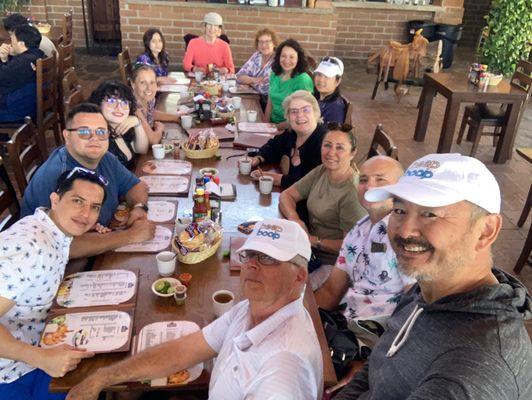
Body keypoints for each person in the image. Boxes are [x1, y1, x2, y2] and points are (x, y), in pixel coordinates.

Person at [334, 153, 532, 399]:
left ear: (485, 231)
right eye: (399, 209)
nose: (405, 231)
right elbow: (377, 367)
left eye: (430, 214)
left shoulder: (474, 368)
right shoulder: (428, 287)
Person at [66, 219, 323, 400]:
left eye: (268, 258)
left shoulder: (283, 368)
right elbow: (183, 351)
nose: (253, 266)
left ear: (300, 276)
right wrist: (102, 377)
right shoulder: (251, 309)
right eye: (250, 255)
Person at [0, 168, 107, 399]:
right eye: (77, 201)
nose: (85, 213)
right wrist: (40, 358)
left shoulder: (54, 229)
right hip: (13, 371)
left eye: (94, 207)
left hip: (41, 339)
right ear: (55, 199)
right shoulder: (30, 247)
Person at [21, 103, 155, 259]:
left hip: (101, 239)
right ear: (67, 136)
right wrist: (130, 236)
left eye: (101, 132)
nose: (94, 138)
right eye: (84, 132)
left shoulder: (104, 158)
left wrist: (139, 207)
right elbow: (63, 245)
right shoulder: (59, 176)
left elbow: (136, 186)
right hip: (58, 266)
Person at [315, 156, 414, 326]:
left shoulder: (406, 236)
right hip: (345, 325)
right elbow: (331, 290)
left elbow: (415, 305)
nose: (369, 186)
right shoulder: (358, 230)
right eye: (363, 179)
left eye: (380, 179)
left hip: (377, 335)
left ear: (400, 188)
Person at [279, 122, 366, 266]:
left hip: (331, 263)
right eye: (327, 145)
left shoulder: (352, 192)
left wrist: (312, 241)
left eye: (340, 148)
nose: (331, 153)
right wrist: (295, 219)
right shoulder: (323, 170)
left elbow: (351, 246)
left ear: (353, 153)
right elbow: (286, 196)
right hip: (307, 248)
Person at [247, 90, 327, 189]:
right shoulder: (292, 133)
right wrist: (258, 158)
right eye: (294, 111)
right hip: (287, 197)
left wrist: (274, 178)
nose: (300, 115)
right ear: (288, 117)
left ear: (315, 112)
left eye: (305, 110)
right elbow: (273, 146)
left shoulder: (324, 143)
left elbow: (309, 183)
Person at [88, 80, 149, 169]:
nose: (119, 107)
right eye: (112, 101)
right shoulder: (98, 138)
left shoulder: (117, 127)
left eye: (124, 102)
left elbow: (142, 150)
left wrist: (137, 123)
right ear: (98, 103)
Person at [131, 65, 185, 145]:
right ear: (133, 85)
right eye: (143, 83)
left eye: (152, 82)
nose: (149, 88)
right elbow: (153, 140)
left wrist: (176, 117)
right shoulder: (133, 107)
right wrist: (160, 129)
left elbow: (151, 113)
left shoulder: (148, 98)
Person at [0, 23, 44, 122]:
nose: (10, 43)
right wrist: (7, 58)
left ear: (21, 44)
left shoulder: (23, 61)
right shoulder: (39, 55)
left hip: (19, 111)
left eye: (13, 39)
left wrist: (1, 59)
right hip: (32, 105)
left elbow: (2, 79)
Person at [265, 38, 314, 127]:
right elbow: (270, 104)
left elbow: (302, 116)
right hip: (272, 125)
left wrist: (276, 128)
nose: (287, 61)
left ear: (298, 59)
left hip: (291, 128)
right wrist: (264, 126)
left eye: (292, 57)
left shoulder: (303, 80)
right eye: (283, 56)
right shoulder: (274, 74)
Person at [236, 28, 277, 109]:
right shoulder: (257, 56)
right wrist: (255, 80)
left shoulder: (277, 61)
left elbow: (264, 89)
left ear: (274, 43)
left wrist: (248, 83)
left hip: (267, 104)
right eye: (261, 42)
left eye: (267, 41)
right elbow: (239, 76)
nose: (264, 45)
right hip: (253, 98)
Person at [314, 56, 348, 124]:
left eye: (327, 77)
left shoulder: (335, 109)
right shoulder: (316, 98)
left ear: (337, 81)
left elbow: (331, 133)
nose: (321, 80)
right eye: (319, 74)